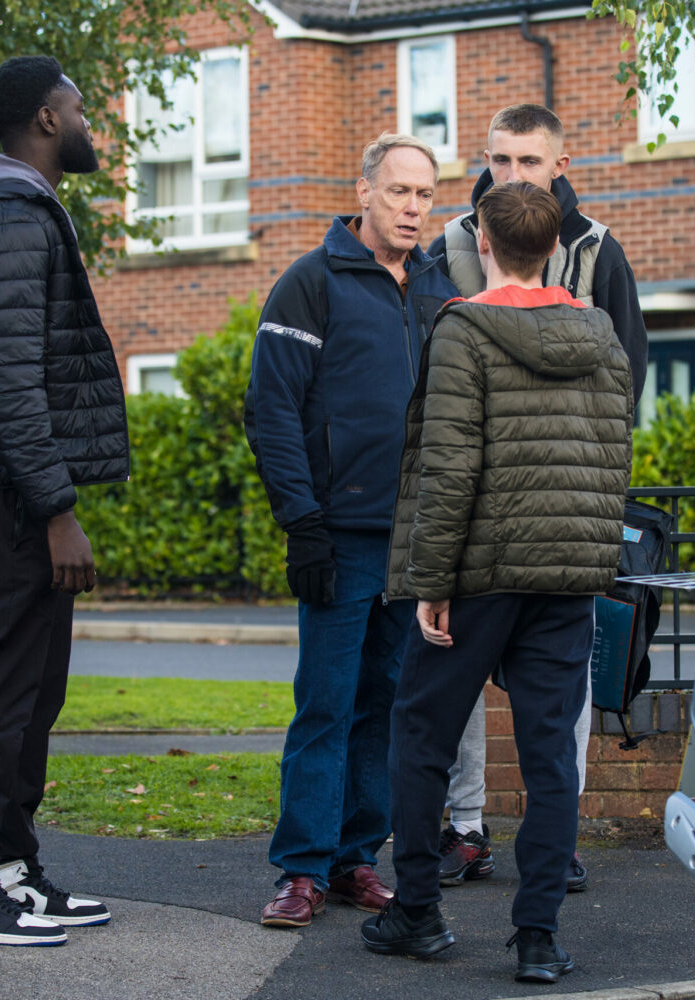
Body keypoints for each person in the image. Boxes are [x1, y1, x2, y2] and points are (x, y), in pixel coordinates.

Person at [363, 180, 635, 983]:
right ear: (555, 247)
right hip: (567, 577)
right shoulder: (603, 335)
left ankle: (416, 911)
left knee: (421, 733)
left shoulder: (465, 329)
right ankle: (540, 937)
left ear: (482, 242)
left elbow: (449, 468)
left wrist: (431, 580)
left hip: (478, 573)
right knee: (553, 754)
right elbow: (614, 453)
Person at [0, 55, 129, 947]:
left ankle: (9, 867)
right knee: (1, 684)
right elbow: (10, 383)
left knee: (32, 689)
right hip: (6, 495)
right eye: (80, 111)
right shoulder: (8, 215)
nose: (90, 126)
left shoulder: (21, 210)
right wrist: (56, 507)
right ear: (46, 119)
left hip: (16, 489)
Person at [424, 103, 648, 893]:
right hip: (479, 516)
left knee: (560, 708)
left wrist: (583, 490)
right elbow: (433, 385)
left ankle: (556, 844)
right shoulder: (450, 244)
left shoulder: (596, 251)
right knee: (457, 703)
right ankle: (464, 828)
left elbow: (627, 384)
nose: (512, 175)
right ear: (482, 160)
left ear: (560, 162)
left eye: (528, 161)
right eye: (500, 160)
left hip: (559, 514)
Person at [244, 134, 458, 929]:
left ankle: (354, 861)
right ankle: (299, 869)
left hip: (417, 541)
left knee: (389, 708)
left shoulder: (440, 289)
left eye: (424, 196)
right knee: (326, 706)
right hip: (338, 536)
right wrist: (303, 526)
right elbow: (271, 413)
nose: (411, 208)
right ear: (363, 190)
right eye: (398, 191)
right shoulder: (310, 283)